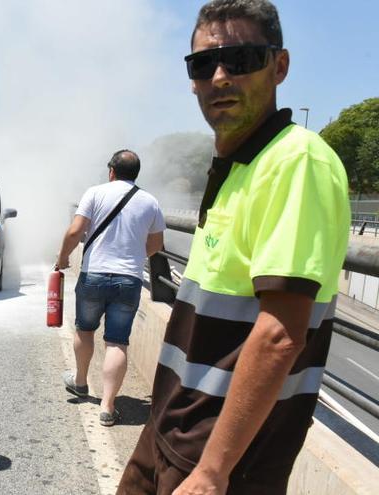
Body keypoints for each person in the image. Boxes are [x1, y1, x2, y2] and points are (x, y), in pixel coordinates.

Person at [117, 1, 350, 494]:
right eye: (204, 64)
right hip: (173, 427)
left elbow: (281, 333)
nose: (220, 76)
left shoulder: (295, 162)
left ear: (279, 66)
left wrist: (212, 472)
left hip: (223, 458)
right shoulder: (238, 164)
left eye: (240, 60)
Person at [55, 150, 165, 426]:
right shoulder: (150, 202)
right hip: (128, 279)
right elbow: (155, 247)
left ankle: (80, 382)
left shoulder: (94, 193)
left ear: (111, 171)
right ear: (136, 173)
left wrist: (63, 258)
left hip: (94, 274)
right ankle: (107, 406)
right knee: (117, 341)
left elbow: (74, 231)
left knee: (85, 328)